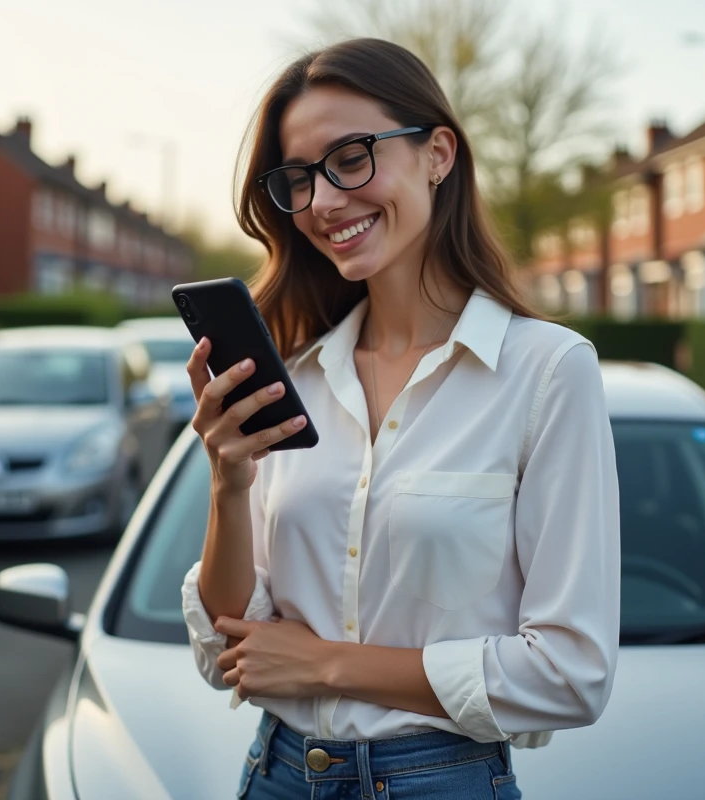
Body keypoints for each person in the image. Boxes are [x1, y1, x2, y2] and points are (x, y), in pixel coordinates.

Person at [180, 37, 620, 800]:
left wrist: (327, 664)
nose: (322, 202)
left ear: (438, 153)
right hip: (277, 774)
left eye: (351, 158)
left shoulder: (547, 371)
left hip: (442, 782)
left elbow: (569, 675)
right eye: (299, 179)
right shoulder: (297, 376)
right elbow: (228, 646)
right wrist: (228, 483)